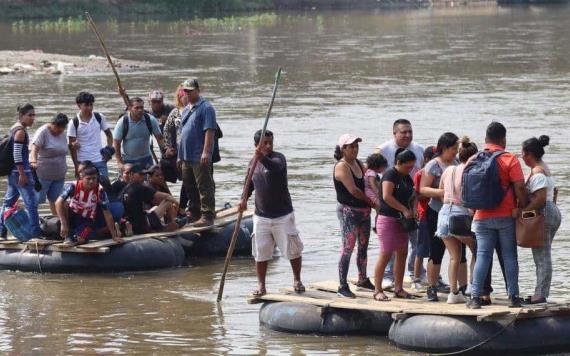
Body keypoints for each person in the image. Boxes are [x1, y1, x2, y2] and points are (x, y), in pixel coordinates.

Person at [468, 122, 527, 309]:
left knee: (483, 255)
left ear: (486, 139)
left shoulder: (473, 159)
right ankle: (514, 297)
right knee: (509, 255)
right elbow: (519, 187)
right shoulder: (510, 159)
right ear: (504, 140)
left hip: (481, 216)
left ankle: (475, 297)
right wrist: (522, 206)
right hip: (506, 215)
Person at [239, 129, 304, 297]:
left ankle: (297, 279)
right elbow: (248, 185)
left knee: (292, 250)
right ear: (256, 146)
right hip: (261, 215)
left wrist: (263, 158)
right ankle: (261, 285)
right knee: (260, 252)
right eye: (264, 143)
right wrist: (243, 199)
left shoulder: (278, 158)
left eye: (270, 143)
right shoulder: (252, 163)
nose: (268, 146)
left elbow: (275, 168)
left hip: (283, 214)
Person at [376, 119, 425, 286]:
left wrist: (414, 206)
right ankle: (386, 278)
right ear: (394, 133)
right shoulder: (383, 150)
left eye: (410, 131)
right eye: (403, 132)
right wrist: (377, 200)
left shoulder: (419, 149)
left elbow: (421, 176)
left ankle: (415, 273)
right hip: (389, 208)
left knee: (414, 242)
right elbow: (371, 174)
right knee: (388, 249)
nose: (407, 135)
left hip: (410, 201)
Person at [436, 137, 478, 304]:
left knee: (454, 257)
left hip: (444, 213)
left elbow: (440, 191)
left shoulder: (448, 169)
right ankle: (475, 288)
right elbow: (470, 197)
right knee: (477, 251)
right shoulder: (470, 171)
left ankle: (453, 293)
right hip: (461, 215)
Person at [520, 135, 561, 304]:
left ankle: (541, 294)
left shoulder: (537, 172)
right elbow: (554, 192)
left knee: (542, 256)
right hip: (551, 211)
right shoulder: (543, 168)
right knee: (542, 254)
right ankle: (540, 291)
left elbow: (540, 198)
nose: (521, 156)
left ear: (529, 154)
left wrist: (522, 212)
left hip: (545, 211)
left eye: (522, 152)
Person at [333, 134, 375, 298]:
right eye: (351, 147)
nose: (355, 149)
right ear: (343, 149)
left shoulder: (358, 163)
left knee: (363, 246)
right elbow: (354, 190)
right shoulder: (342, 166)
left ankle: (362, 279)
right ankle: (342, 286)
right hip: (348, 211)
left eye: (356, 146)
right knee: (348, 248)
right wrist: (373, 202)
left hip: (363, 211)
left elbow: (368, 181)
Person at [373, 149, 417, 301]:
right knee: (386, 253)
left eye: (412, 167)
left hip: (402, 220)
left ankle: (398, 288)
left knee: (402, 252)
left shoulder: (407, 177)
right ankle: (377, 290)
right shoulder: (390, 174)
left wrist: (413, 208)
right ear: (398, 162)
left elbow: (412, 195)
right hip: (387, 218)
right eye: (407, 167)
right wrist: (404, 209)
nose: (409, 170)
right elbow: (386, 196)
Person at [178, 79, 217, 227]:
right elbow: (182, 134)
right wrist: (179, 156)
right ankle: (195, 213)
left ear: (197, 90)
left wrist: (206, 152)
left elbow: (209, 130)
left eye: (190, 90)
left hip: (198, 154)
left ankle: (207, 214)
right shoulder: (187, 109)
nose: (187, 93)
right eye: (185, 91)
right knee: (189, 186)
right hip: (186, 155)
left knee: (204, 185)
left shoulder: (206, 108)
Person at [0, 104, 43, 239]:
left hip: (13, 173)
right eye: (30, 115)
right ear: (22, 115)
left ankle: (1, 231)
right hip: (20, 172)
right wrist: (23, 175)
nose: (32, 118)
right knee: (31, 203)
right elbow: (17, 155)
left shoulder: (14, 128)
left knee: (8, 202)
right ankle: (36, 232)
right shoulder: (20, 132)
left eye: (33, 115)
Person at [55, 166, 122, 245]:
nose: (91, 181)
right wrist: (63, 224)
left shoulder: (100, 190)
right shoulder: (73, 186)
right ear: (82, 178)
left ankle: (76, 236)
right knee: (64, 204)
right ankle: (68, 235)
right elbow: (58, 202)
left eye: (94, 178)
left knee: (81, 239)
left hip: (87, 219)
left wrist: (114, 236)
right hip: (72, 215)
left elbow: (107, 213)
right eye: (88, 179)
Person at [121, 164, 179, 235]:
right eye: (140, 174)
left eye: (144, 174)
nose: (143, 177)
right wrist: (177, 204)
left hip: (131, 223)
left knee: (154, 208)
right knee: (168, 201)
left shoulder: (125, 189)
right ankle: (171, 223)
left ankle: (168, 223)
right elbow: (167, 196)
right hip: (142, 224)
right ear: (132, 174)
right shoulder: (139, 187)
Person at [68, 92, 114, 177]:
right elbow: (71, 147)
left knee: (105, 187)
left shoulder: (99, 117)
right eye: (86, 105)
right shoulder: (74, 122)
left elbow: (109, 135)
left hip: (100, 160)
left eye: (91, 105)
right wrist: (76, 166)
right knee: (85, 189)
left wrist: (109, 150)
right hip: (83, 162)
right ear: (79, 105)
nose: (89, 108)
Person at [30, 113, 69, 215]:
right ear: (52, 124)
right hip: (43, 175)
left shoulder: (62, 133)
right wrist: (33, 161)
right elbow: (34, 149)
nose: (60, 131)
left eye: (63, 128)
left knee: (56, 200)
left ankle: (56, 223)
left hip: (59, 175)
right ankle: (32, 224)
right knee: (36, 200)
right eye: (58, 128)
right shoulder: (43, 132)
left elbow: (63, 149)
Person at [113, 97, 166, 170]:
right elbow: (116, 144)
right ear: (130, 108)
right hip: (128, 160)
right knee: (128, 181)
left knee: (150, 181)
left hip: (146, 159)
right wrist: (119, 163)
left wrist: (164, 156)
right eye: (137, 108)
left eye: (141, 107)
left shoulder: (150, 120)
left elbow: (160, 139)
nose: (140, 110)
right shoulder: (123, 122)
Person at [411, 145, 436, 288]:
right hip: (424, 213)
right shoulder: (421, 174)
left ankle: (433, 277)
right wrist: (432, 192)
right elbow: (417, 194)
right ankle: (416, 278)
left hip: (436, 213)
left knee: (435, 248)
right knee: (420, 248)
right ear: (426, 159)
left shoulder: (439, 171)